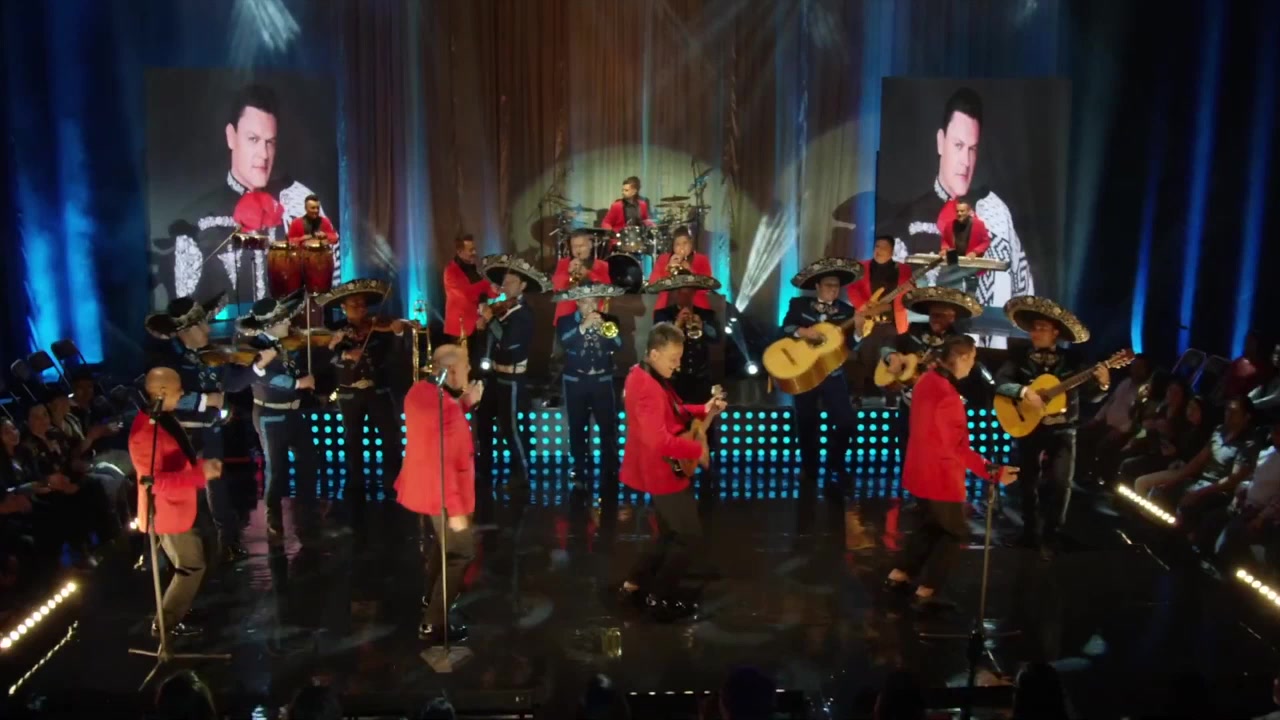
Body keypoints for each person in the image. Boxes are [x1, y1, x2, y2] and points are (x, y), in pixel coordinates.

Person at [167, 84, 333, 303]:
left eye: (270, 142)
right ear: (231, 137)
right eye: (253, 139)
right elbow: (185, 313)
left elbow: (327, 290)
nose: (264, 154)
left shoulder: (298, 205)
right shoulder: (195, 222)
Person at [885, 335, 1017, 611]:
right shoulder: (948, 396)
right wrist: (993, 473)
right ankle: (927, 591)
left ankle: (900, 574)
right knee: (955, 532)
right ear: (962, 357)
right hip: (940, 477)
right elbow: (957, 447)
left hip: (919, 471)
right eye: (972, 358)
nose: (973, 365)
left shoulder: (926, 381)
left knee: (930, 526)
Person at [877, 86, 1034, 308]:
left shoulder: (996, 213)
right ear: (941, 142)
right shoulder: (908, 222)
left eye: (972, 149)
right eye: (958, 145)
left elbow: (1022, 293)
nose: (966, 161)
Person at [616, 323, 726, 621]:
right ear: (654, 353)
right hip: (662, 470)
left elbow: (673, 410)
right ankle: (660, 596)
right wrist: (696, 450)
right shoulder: (648, 387)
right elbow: (658, 440)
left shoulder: (645, 374)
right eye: (673, 359)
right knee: (688, 536)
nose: (677, 365)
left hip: (659, 467)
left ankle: (634, 585)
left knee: (668, 535)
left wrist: (704, 409)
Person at [995, 297, 1109, 556]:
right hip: (1029, 426)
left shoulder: (1074, 361)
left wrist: (1102, 384)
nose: (1035, 333)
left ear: (1056, 332)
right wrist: (1024, 392)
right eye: (1033, 328)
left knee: (1061, 483)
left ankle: (1052, 534)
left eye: (1042, 328)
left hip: (1063, 429)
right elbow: (1001, 383)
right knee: (1027, 481)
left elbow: (1091, 396)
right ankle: (1029, 532)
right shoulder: (1019, 357)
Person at [145, 293, 247, 561]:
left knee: (217, 487)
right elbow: (161, 398)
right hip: (183, 436)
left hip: (210, 431)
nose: (207, 330)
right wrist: (205, 400)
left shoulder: (211, 354)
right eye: (201, 325)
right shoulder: (169, 361)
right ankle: (165, 550)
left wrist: (254, 367)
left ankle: (227, 541)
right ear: (186, 331)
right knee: (181, 490)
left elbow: (230, 382)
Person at [396, 345, 484, 644]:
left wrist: (465, 402)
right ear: (453, 371)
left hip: (425, 487)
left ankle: (429, 598)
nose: (469, 370)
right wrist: (457, 512)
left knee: (443, 546)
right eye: (466, 365)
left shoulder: (418, 391)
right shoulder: (448, 410)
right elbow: (446, 462)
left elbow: (441, 417)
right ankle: (433, 623)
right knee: (461, 553)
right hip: (446, 493)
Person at [129, 367, 217, 639]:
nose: (182, 393)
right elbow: (154, 482)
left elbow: (178, 460)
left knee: (197, 559)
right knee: (191, 566)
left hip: (182, 504)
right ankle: (165, 625)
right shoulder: (145, 433)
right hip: (167, 511)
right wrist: (200, 474)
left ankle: (177, 609)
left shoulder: (163, 419)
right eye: (178, 389)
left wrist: (200, 468)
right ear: (161, 391)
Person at [236, 291, 319, 535]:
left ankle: (307, 509)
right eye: (284, 320)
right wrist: (298, 383)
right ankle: (273, 517)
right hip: (270, 415)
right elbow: (264, 378)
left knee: (309, 459)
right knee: (276, 468)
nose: (289, 322)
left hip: (293, 412)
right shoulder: (254, 347)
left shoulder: (284, 343)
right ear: (271, 324)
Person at [322, 279, 408, 507]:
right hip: (349, 393)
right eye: (354, 305)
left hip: (377, 389)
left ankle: (392, 481)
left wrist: (398, 334)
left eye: (363, 304)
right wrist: (344, 354)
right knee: (353, 439)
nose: (361, 309)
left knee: (390, 436)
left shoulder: (378, 328)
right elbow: (325, 358)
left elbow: (394, 355)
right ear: (343, 308)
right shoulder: (335, 331)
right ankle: (355, 483)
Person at [780, 258, 865, 486]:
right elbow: (784, 329)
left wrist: (858, 330)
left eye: (836, 286)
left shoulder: (847, 311)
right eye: (828, 285)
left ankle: (835, 462)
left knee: (846, 422)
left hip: (832, 374)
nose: (833, 290)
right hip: (805, 372)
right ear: (817, 286)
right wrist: (802, 332)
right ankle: (810, 468)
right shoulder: (799, 305)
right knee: (806, 422)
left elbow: (852, 345)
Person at [475, 255, 548, 493]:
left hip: (513, 379)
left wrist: (490, 320)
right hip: (495, 377)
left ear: (522, 285)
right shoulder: (504, 309)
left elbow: (507, 343)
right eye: (504, 282)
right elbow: (491, 340)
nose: (505, 286)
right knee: (483, 420)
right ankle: (484, 467)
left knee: (511, 428)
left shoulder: (523, 314)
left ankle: (522, 475)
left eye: (510, 282)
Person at [554, 283, 625, 490]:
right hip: (575, 382)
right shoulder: (565, 321)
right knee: (577, 426)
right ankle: (578, 467)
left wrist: (604, 328)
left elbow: (619, 345)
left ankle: (611, 467)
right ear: (577, 303)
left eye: (594, 302)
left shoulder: (610, 320)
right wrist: (583, 327)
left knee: (608, 426)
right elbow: (564, 342)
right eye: (586, 302)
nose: (591, 306)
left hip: (602, 382)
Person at [880, 286, 980, 409]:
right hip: (908, 403)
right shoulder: (915, 331)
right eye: (933, 315)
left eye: (941, 315)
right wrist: (891, 356)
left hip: (940, 405)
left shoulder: (959, 344)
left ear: (952, 317)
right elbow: (888, 343)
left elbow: (962, 376)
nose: (935, 319)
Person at [847, 235, 914, 398]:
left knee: (890, 359)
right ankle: (867, 396)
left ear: (891, 251)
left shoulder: (904, 270)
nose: (878, 250)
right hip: (869, 322)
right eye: (876, 246)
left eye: (883, 247)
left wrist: (911, 290)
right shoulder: (862, 267)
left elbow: (909, 296)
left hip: (892, 323)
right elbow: (852, 289)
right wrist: (863, 306)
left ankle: (890, 396)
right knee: (868, 357)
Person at [650, 274, 723, 404]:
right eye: (682, 293)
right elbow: (658, 341)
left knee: (700, 412)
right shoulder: (662, 314)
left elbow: (716, 338)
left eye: (689, 293)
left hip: (701, 377)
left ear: (694, 293)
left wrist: (702, 326)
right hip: (673, 377)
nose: (685, 297)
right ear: (676, 294)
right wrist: (677, 324)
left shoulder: (707, 314)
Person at [1078, 354, 1151, 484]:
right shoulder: (1125, 382)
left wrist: (1121, 431)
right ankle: (1081, 473)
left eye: (1139, 367)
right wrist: (1096, 419)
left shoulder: (1145, 391)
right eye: (1134, 366)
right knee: (1083, 434)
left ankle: (1097, 478)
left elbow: (1137, 417)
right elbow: (1110, 402)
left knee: (1104, 445)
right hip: (1106, 423)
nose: (1135, 369)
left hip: (1122, 431)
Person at [442, 234, 501, 369]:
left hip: (475, 325)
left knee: (475, 365)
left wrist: (495, 290)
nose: (474, 252)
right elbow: (466, 293)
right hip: (459, 328)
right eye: (471, 250)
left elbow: (483, 289)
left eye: (474, 248)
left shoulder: (473, 268)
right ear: (459, 251)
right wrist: (488, 286)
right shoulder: (451, 271)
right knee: (460, 367)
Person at [550, 229, 612, 324]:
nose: (578, 250)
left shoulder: (601, 265)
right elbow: (556, 288)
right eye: (574, 247)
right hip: (566, 318)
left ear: (590, 245)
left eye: (581, 246)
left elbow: (606, 289)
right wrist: (568, 272)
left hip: (594, 316)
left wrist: (587, 273)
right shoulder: (563, 264)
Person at [647, 227, 714, 310]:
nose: (682, 247)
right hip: (667, 307)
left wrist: (690, 271)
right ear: (673, 247)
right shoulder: (663, 259)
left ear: (691, 244)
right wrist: (668, 268)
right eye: (678, 244)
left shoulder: (702, 259)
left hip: (696, 308)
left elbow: (706, 287)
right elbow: (653, 284)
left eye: (685, 243)